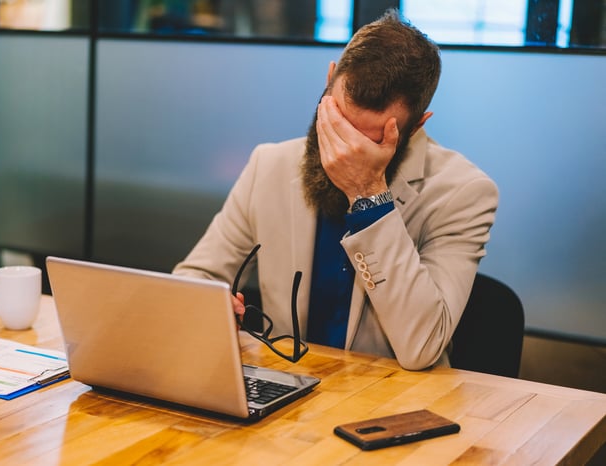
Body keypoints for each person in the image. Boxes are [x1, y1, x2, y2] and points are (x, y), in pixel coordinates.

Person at [173, 9, 498, 370]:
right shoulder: (270, 165)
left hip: (390, 402)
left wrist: (368, 193)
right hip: (287, 388)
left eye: (368, 139)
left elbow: (421, 348)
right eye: (338, 120)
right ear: (330, 80)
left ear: (416, 125)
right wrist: (212, 307)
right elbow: (194, 280)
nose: (343, 149)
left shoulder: (464, 193)